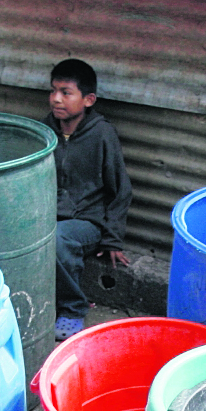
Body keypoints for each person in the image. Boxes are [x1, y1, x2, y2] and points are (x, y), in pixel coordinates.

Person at [43, 58, 132, 341]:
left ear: (88, 99)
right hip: (48, 213)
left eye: (66, 92)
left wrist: (112, 238)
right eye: (53, 90)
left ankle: (73, 309)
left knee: (58, 239)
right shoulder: (46, 130)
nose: (56, 99)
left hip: (87, 221)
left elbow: (121, 189)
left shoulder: (103, 134)